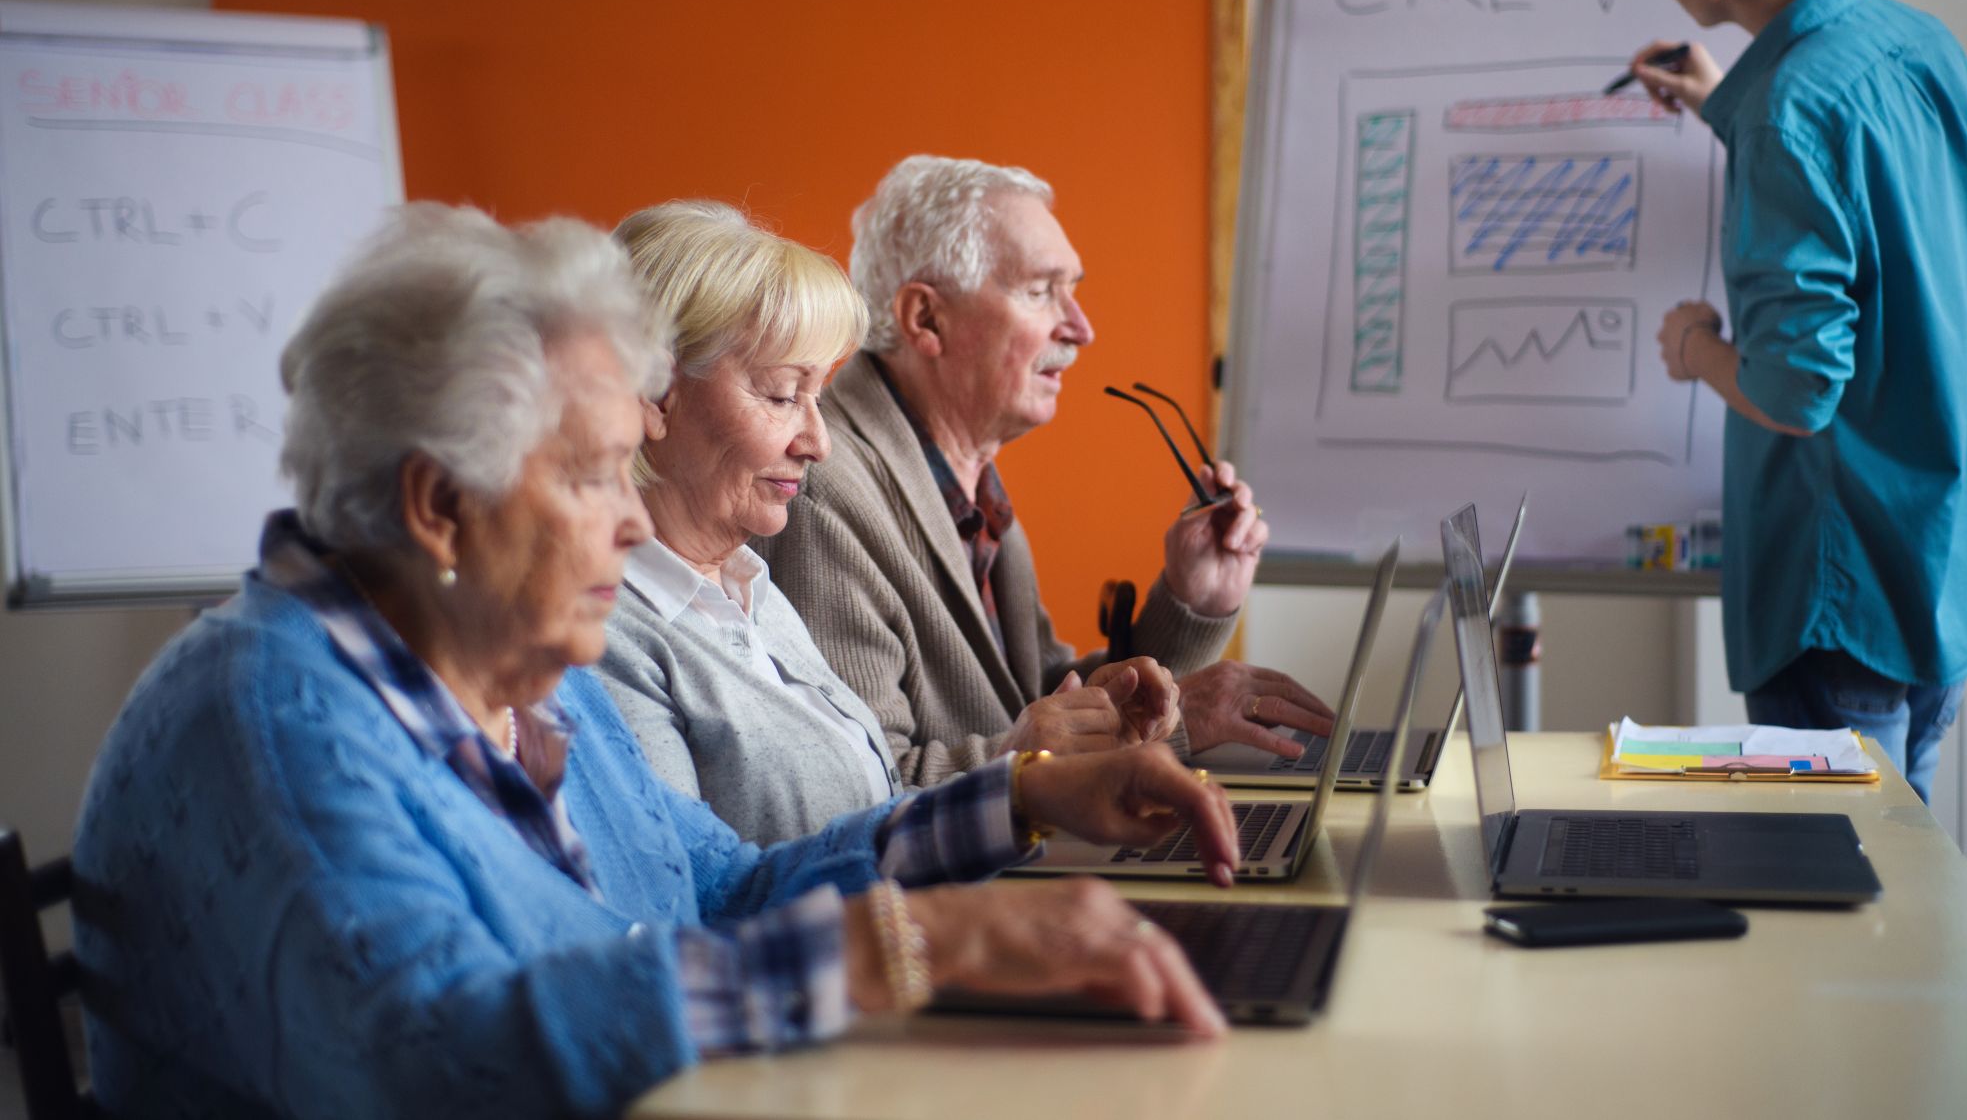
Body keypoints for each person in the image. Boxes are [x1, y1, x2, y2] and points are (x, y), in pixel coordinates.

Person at [69, 204, 1241, 1120]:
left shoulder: (519, 675)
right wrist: (911, 945)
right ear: (440, 507)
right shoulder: (271, 723)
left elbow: (721, 891)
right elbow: (445, 1069)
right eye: (590, 477)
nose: (628, 522)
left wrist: (1020, 795)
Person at [1596, 0, 1967, 803]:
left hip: (1838, 601)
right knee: (1903, 919)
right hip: (1936, 572)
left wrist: (1693, 348)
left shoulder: (1785, 115)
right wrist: (1721, 101)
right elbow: (1868, 217)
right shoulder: (1915, 41)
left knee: (1840, 929)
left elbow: (1796, 386)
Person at [592, 200, 1178, 844]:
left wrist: (1048, 764)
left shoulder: (746, 587)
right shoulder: (602, 640)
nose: (818, 441)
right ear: (653, 395)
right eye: (783, 394)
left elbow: (873, 801)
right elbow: (698, 901)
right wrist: (1016, 779)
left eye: (817, 396)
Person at [756, 155, 1334, 786]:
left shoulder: (970, 485)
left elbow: (1046, 706)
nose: (1081, 328)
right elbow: (866, 788)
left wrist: (1192, 601)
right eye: (1039, 291)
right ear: (925, 318)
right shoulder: (822, 494)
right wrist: (1176, 723)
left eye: (1073, 289)